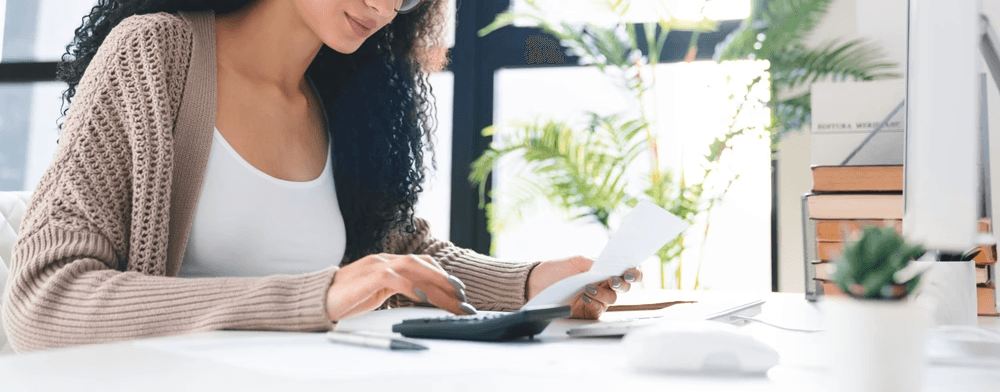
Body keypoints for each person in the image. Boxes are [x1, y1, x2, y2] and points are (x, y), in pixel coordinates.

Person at [1, 0, 642, 352]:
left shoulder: (342, 94)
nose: (388, 4)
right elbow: (42, 301)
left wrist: (532, 282)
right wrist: (316, 298)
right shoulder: (155, 54)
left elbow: (400, 254)